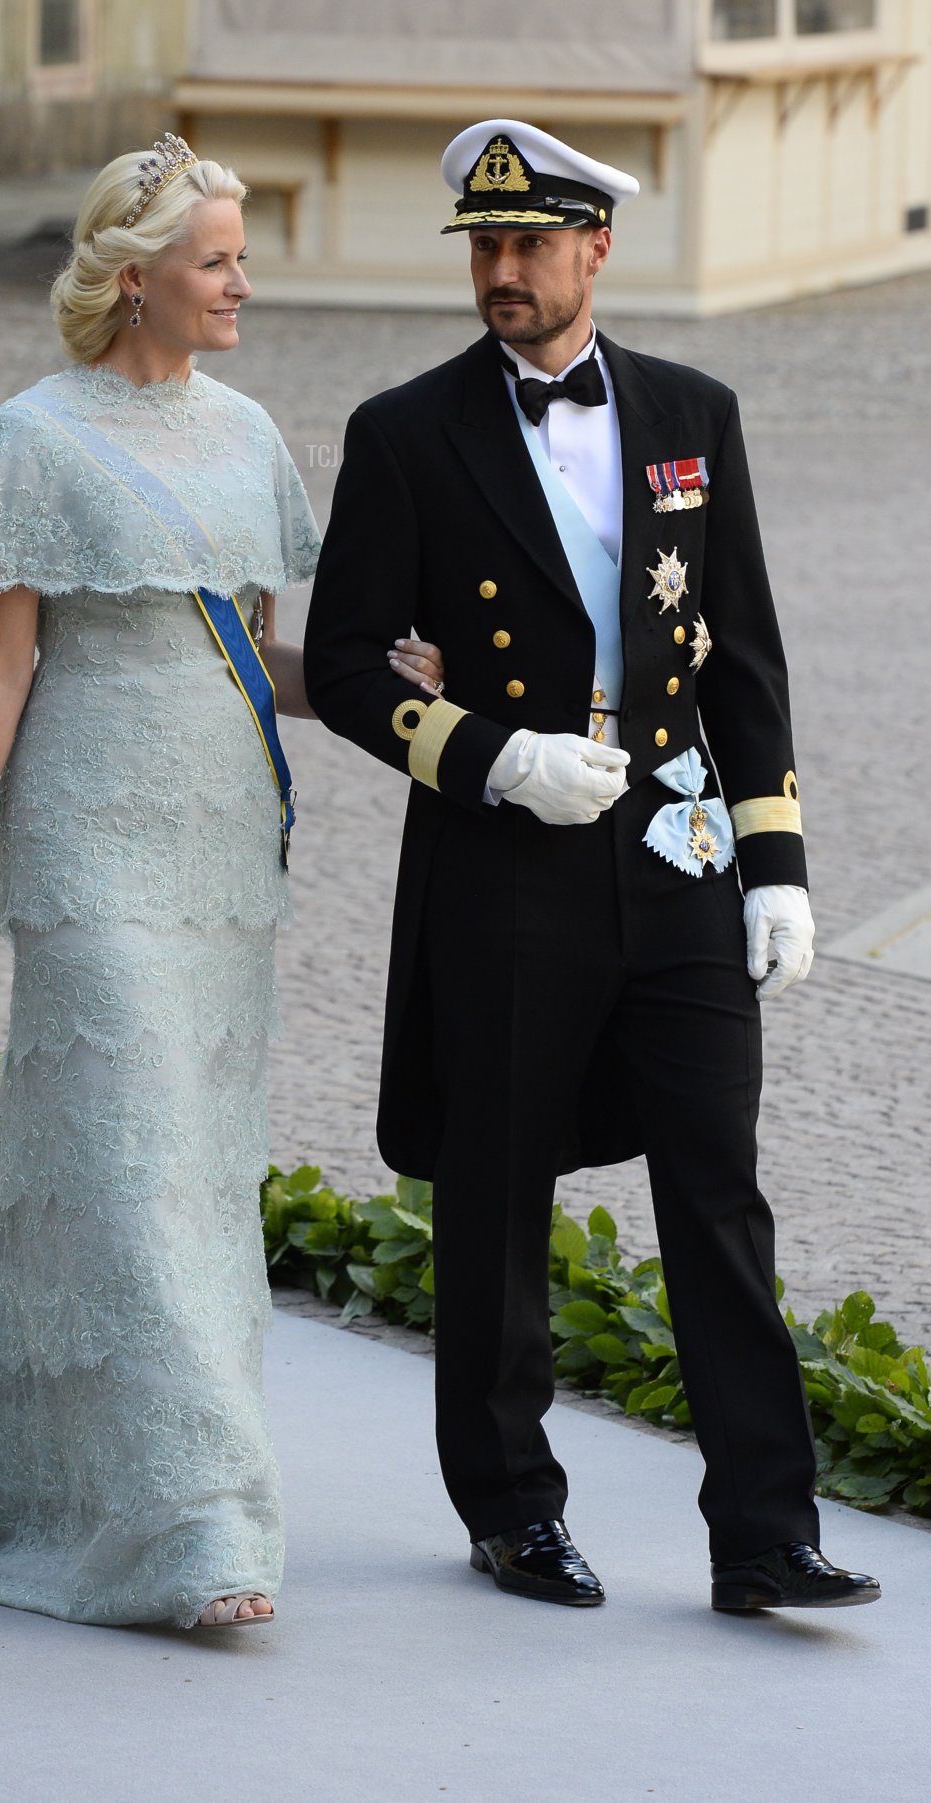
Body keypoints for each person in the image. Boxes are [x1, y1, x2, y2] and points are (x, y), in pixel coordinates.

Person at [0, 138, 443, 1631]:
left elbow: (253, 658)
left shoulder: (250, 437)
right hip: (89, 845)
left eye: (244, 256)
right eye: (219, 261)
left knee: (183, 1178)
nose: (244, 283)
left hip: (224, 853)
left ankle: (102, 1470)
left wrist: (381, 682)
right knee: (123, 1166)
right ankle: (202, 1525)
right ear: (135, 281)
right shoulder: (30, 443)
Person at [303, 119, 880, 1614]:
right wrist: (493, 754)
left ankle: (768, 1532)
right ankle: (511, 1508)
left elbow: (742, 655)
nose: (500, 271)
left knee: (719, 1187)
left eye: (528, 246)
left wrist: (779, 864)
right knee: (498, 1195)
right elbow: (350, 664)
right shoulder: (406, 431)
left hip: (677, 846)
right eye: (483, 248)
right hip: (508, 855)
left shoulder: (697, 411)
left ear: (594, 251)